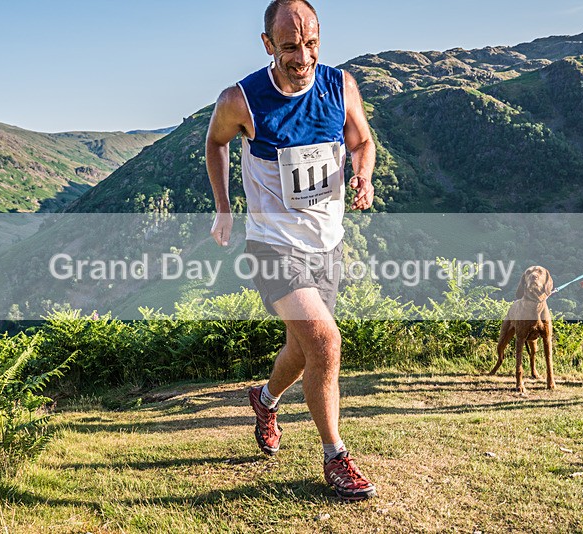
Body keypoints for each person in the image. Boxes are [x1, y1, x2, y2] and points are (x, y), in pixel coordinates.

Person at [205, 0, 377, 500]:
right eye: (289, 47)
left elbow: (362, 141)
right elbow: (215, 143)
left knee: (302, 350)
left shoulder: (340, 86)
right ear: (267, 45)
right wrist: (224, 207)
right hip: (272, 244)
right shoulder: (241, 99)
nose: (303, 58)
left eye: (311, 44)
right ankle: (336, 456)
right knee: (325, 342)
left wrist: (363, 175)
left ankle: (265, 398)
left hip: (327, 243)